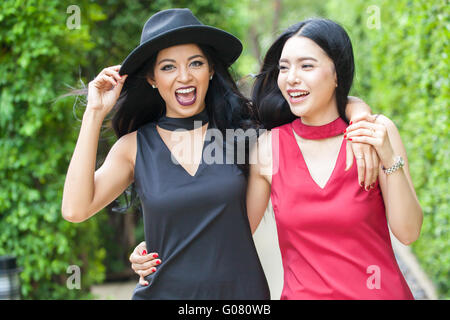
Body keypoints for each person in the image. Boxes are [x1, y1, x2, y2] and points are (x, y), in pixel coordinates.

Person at [61, 8, 270, 300]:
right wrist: (94, 112)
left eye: (196, 63)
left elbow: (314, 121)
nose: (184, 76)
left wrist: (356, 108)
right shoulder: (134, 147)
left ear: (210, 70)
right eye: (168, 67)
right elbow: (75, 209)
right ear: (151, 78)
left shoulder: (244, 138)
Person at [245, 18, 422, 299]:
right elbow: (234, 236)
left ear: (337, 73)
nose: (291, 77)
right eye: (284, 67)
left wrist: (388, 157)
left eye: (306, 65)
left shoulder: (376, 132)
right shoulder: (268, 148)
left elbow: (408, 232)